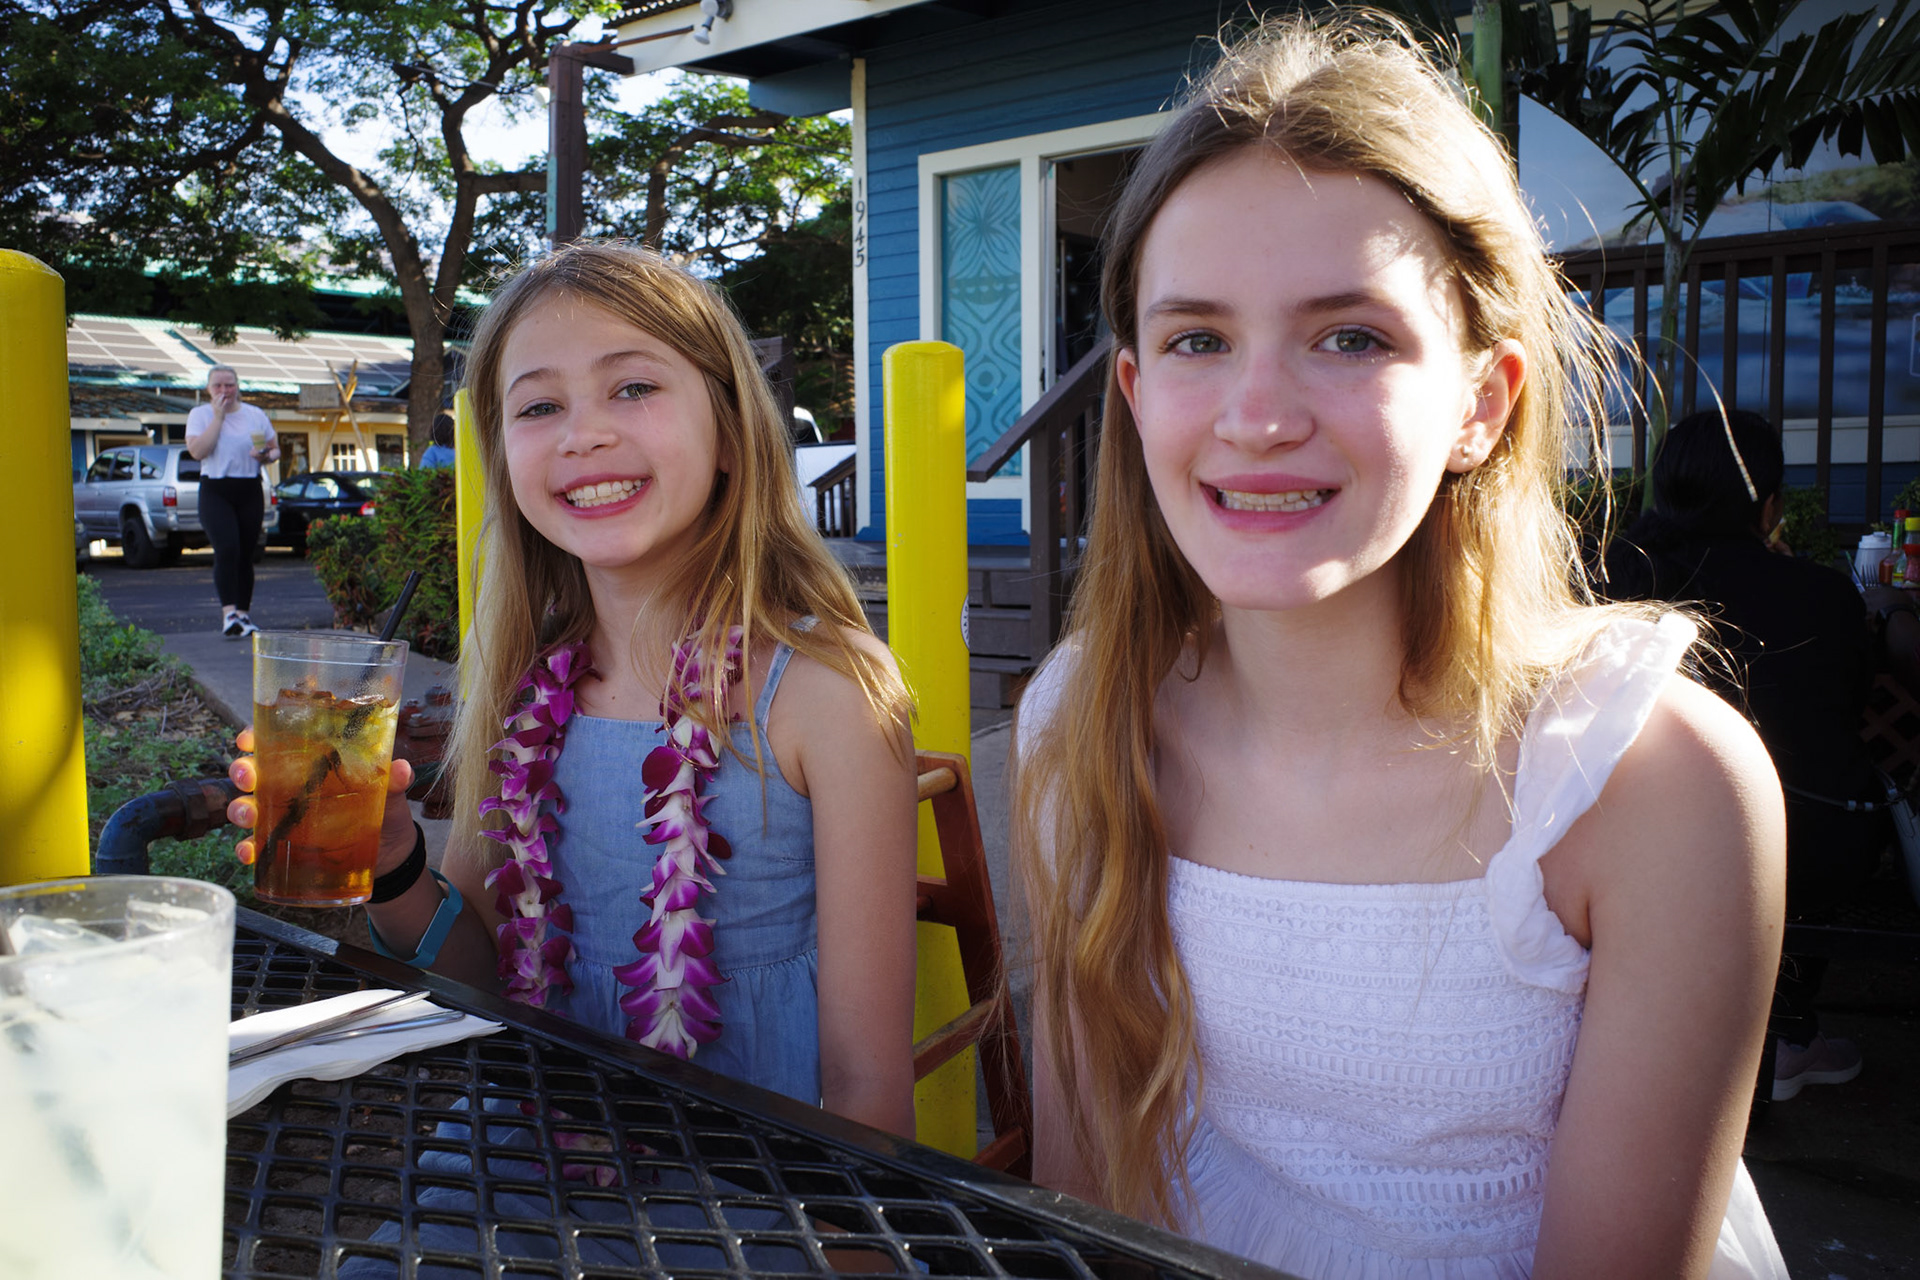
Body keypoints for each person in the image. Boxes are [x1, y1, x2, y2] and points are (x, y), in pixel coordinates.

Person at [1011, 14, 1787, 1278]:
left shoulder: (1649, 781)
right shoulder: (1081, 720)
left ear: (1483, 402)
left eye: (1351, 336)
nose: (1258, 416)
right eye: (1199, 338)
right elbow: (1083, 1205)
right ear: (1140, 390)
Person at [226, 242, 919, 1137]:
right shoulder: (521, 690)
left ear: (730, 430)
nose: (581, 432)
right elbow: (477, 980)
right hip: (527, 1158)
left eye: (633, 387)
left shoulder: (829, 694)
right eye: (539, 405)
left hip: (755, 1188)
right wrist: (392, 858)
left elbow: (869, 1084)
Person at [1605, 407, 1891, 1102]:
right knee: (1837, 805)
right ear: (1767, 503)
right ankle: (1788, 1033)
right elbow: (1854, 707)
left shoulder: (1617, 581)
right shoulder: (1823, 595)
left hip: (1635, 847)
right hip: (1808, 843)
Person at [185, 364, 279, 637]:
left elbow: (275, 450)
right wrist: (218, 417)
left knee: (246, 553)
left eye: (230, 385)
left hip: (249, 487)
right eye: (218, 386)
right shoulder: (200, 414)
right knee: (227, 548)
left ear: (238, 386)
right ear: (208, 389)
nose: (224, 391)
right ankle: (229, 615)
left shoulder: (255, 414)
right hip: (216, 488)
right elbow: (198, 451)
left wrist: (266, 455)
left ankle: (243, 614)